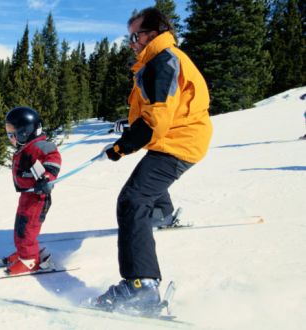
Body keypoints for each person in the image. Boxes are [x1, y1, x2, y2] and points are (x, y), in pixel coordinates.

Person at [94, 7, 213, 314]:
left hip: (178, 142)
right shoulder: (156, 61)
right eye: (129, 37)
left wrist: (121, 148)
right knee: (148, 185)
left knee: (132, 200)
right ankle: (163, 214)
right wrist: (130, 128)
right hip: (175, 138)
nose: (131, 42)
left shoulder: (163, 61)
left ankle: (141, 285)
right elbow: (156, 111)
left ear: (153, 34)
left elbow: (157, 119)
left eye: (135, 36)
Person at [3, 106, 62, 275]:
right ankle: (24, 253)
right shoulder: (26, 146)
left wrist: (47, 177)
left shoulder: (40, 146)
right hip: (27, 194)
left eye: (12, 133)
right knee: (20, 227)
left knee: (27, 229)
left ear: (25, 132)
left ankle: (30, 260)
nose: (10, 138)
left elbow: (54, 159)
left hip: (38, 196)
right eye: (8, 132)